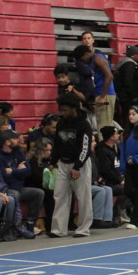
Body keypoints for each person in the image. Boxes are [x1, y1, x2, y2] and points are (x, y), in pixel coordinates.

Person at [49, 93, 94, 238]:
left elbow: (85, 148)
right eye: (61, 110)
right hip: (63, 163)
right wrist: (52, 161)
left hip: (80, 164)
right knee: (60, 195)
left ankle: (83, 229)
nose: (62, 113)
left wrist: (77, 166)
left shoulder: (84, 125)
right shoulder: (61, 123)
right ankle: (58, 229)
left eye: (65, 110)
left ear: (74, 108)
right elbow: (57, 143)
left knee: (83, 197)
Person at [0, 129, 42, 238]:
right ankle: (13, 226)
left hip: (19, 187)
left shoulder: (18, 153)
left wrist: (12, 171)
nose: (18, 140)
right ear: (7, 142)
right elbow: (4, 177)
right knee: (15, 194)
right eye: (15, 139)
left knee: (38, 193)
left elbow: (28, 171)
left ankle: (30, 223)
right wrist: (19, 171)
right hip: (6, 189)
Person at [80, 31, 116, 130]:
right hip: (99, 92)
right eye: (84, 38)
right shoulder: (92, 58)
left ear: (93, 40)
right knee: (101, 125)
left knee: (104, 127)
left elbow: (109, 76)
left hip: (105, 93)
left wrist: (103, 96)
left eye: (89, 38)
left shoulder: (97, 57)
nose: (87, 40)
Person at [114, 44, 138, 120]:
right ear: (133, 55)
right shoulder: (130, 65)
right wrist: (133, 95)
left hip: (123, 96)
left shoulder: (124, 63)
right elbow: (127, 82)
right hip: (127, 97)